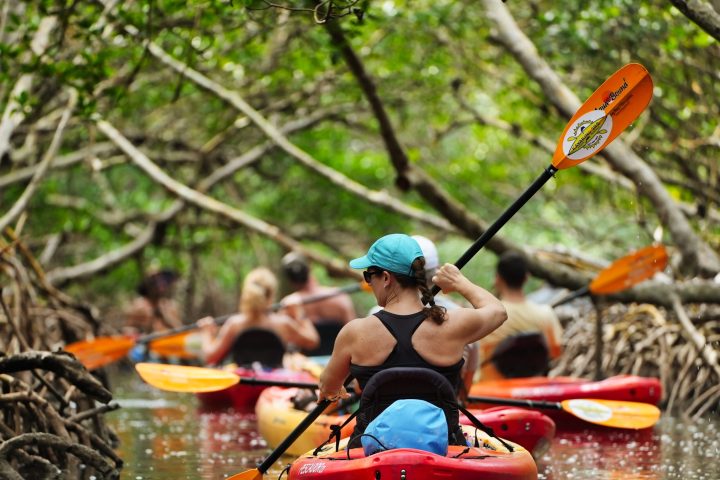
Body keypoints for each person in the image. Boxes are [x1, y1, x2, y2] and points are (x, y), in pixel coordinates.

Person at [318, 233, 507, 444]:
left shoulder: (355, 332)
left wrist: (337, 391)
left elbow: (327, 388)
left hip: (372, 448)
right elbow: (498, 311)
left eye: (369, 275)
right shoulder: (452, 324)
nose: (368, 282)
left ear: (387, 278)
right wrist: (459, 282)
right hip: (444, 446)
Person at [198, 267, 320, 366]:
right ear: (271, 295)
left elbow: (210, 357)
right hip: (273, 384)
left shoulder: (235, 323)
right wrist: (300, 314)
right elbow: (313, 341)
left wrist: (206, 333)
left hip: (243, 385)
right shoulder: (283, 323)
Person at [478, 250, 564, 380]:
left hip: (491, 393)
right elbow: (556, 352)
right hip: (530, 393)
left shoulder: (487, 315)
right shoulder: (546, 313)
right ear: (526, 277)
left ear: (497, 278)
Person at [280, 252, 356, 356]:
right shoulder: (339, 296)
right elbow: (354, 335)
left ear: (289, 279)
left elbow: (285, 341)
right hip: (337, 362)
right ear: (310, 268)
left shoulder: (288, 304)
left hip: (310, 365)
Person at [125, 269, 183, 335]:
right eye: (156, 281)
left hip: (170, 342)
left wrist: (165, 317)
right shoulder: (139, 305)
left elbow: (180, 329)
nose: (160, 285)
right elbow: (128, 329)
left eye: (162, 281)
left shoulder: (170, 305)